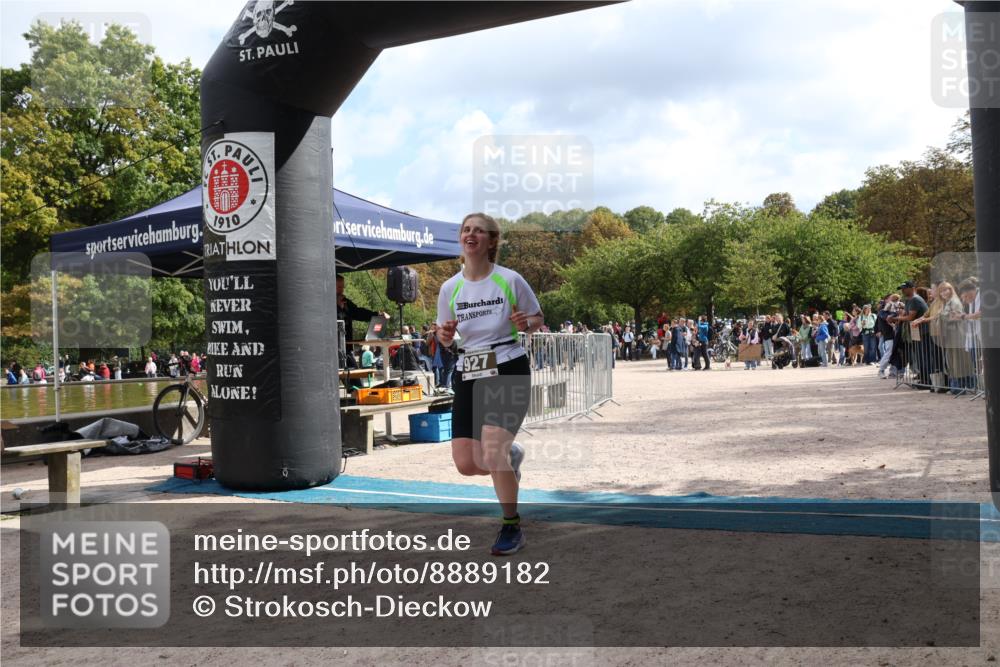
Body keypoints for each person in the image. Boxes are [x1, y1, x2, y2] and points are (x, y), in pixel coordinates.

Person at [436, 212, 543, 556]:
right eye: (466, 230)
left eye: (479, 231)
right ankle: (511, 458)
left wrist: (526, 323)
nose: (471, 235)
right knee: (467, 464)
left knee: (493, 451)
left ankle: (511, 526)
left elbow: (537, 319)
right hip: (468, 369)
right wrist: (444, 335)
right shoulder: (449, 288)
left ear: (491, 241)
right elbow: (444, 336)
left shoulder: (510, 279)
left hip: (507, 364)